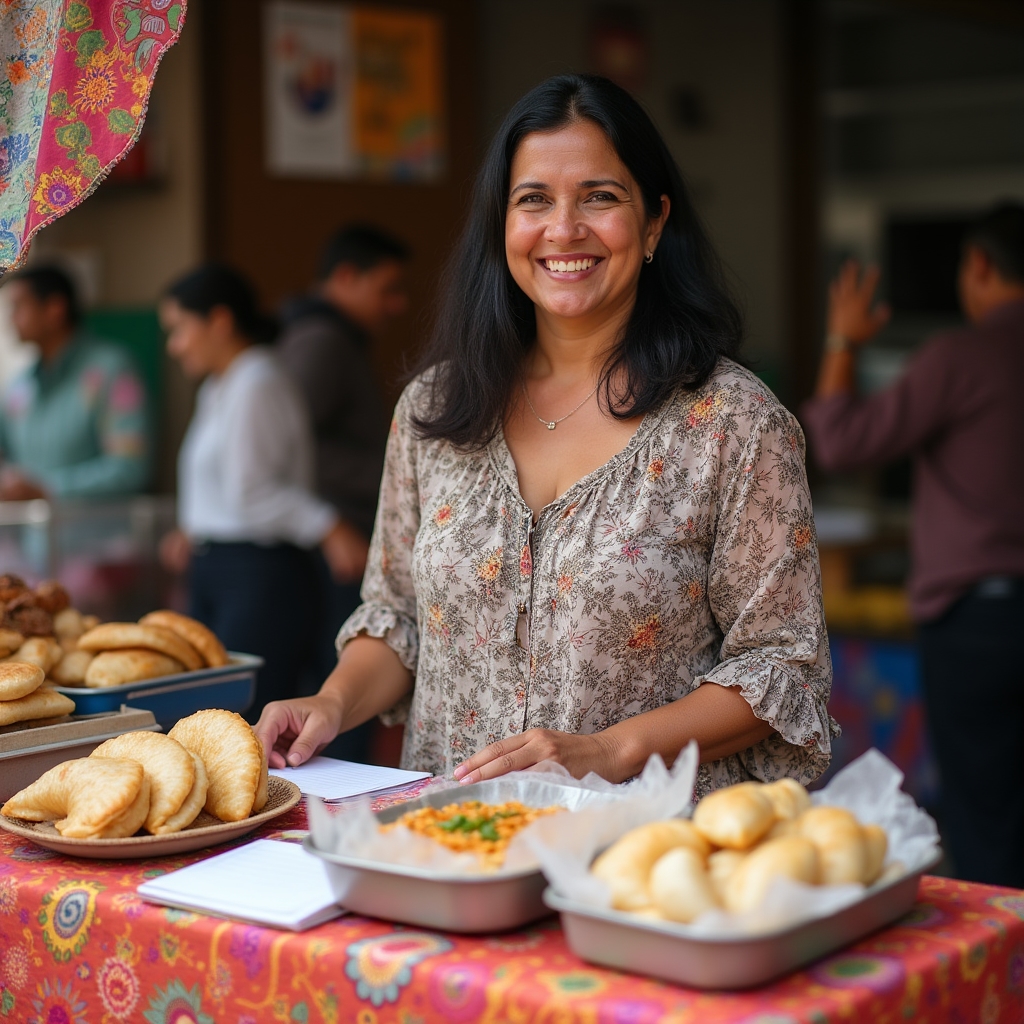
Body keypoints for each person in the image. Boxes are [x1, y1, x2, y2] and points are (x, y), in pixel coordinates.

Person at [256, 74, 835, 794]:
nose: (564, 229)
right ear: (502, 226)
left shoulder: (735, 424)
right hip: (450, 845)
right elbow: (398, 617)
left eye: (600, 196)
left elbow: (779, 666)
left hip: (645, 867)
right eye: (534, 200)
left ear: (654, 223)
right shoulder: (434, 410)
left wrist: (611, 751)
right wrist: (331, 702)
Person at [800, 202, 1024, 888]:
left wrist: (842, 342)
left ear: (980, 266)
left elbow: (842, 442)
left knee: (987, 821)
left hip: (978, 624)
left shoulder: (963, 356)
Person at [158, 264, 360, 723]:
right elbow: (219, 484)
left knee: (242, 720)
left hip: (258, 574)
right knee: (211, 717)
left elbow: (253, 492)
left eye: (180, 330)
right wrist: (193, 528)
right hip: (221, 568)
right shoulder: (220, 383)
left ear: (220, 321)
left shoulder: (258, 380)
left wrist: (328, 525)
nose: (174, 345)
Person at [277, 225, 407, 760]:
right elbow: (291, 448)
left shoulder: (330, 337)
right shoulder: (321, 341)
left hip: (341, 528)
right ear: (347, 277)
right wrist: (390, 475)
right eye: (389, 288)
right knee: (344, 663)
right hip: (339, 535)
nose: (397, 305)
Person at [0, 266, 150, 499]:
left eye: (19, 307)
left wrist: (45, 489)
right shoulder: (20, 387)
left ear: (54, 309)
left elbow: (129, 469)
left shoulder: (112, 371)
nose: (11, 320)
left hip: (96, 532)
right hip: (33, 533)